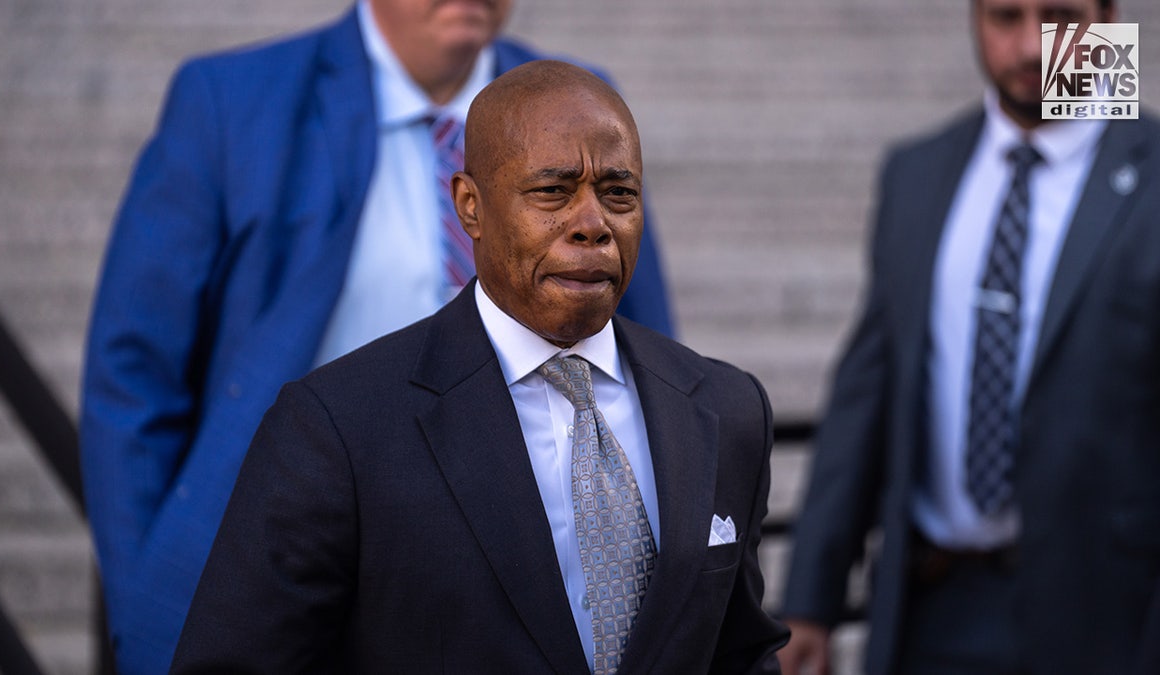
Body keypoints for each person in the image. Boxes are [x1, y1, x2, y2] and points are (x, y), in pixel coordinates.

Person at [79, 2, 674, 672]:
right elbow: (133, 374)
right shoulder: (231, 102)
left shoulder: (580, 108)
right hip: (293, 556)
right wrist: (147, 604)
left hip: (526, 566)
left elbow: (639, 345)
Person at [169, 59, 788, 674]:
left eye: (618, 193)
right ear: (470, 206)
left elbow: (740, 654)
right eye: (553, 191)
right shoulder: (338, 428)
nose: (593, 225)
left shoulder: (726, 408)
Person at [777, 0, 1160, 674]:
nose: (1033, 46)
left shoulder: (1150, 169)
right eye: (1006, 16)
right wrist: (812, 596)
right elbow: (869, 390)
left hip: (1107, 621)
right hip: (932, 609)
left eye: (1061, 17)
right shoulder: (918, 172)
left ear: (1110, 19)